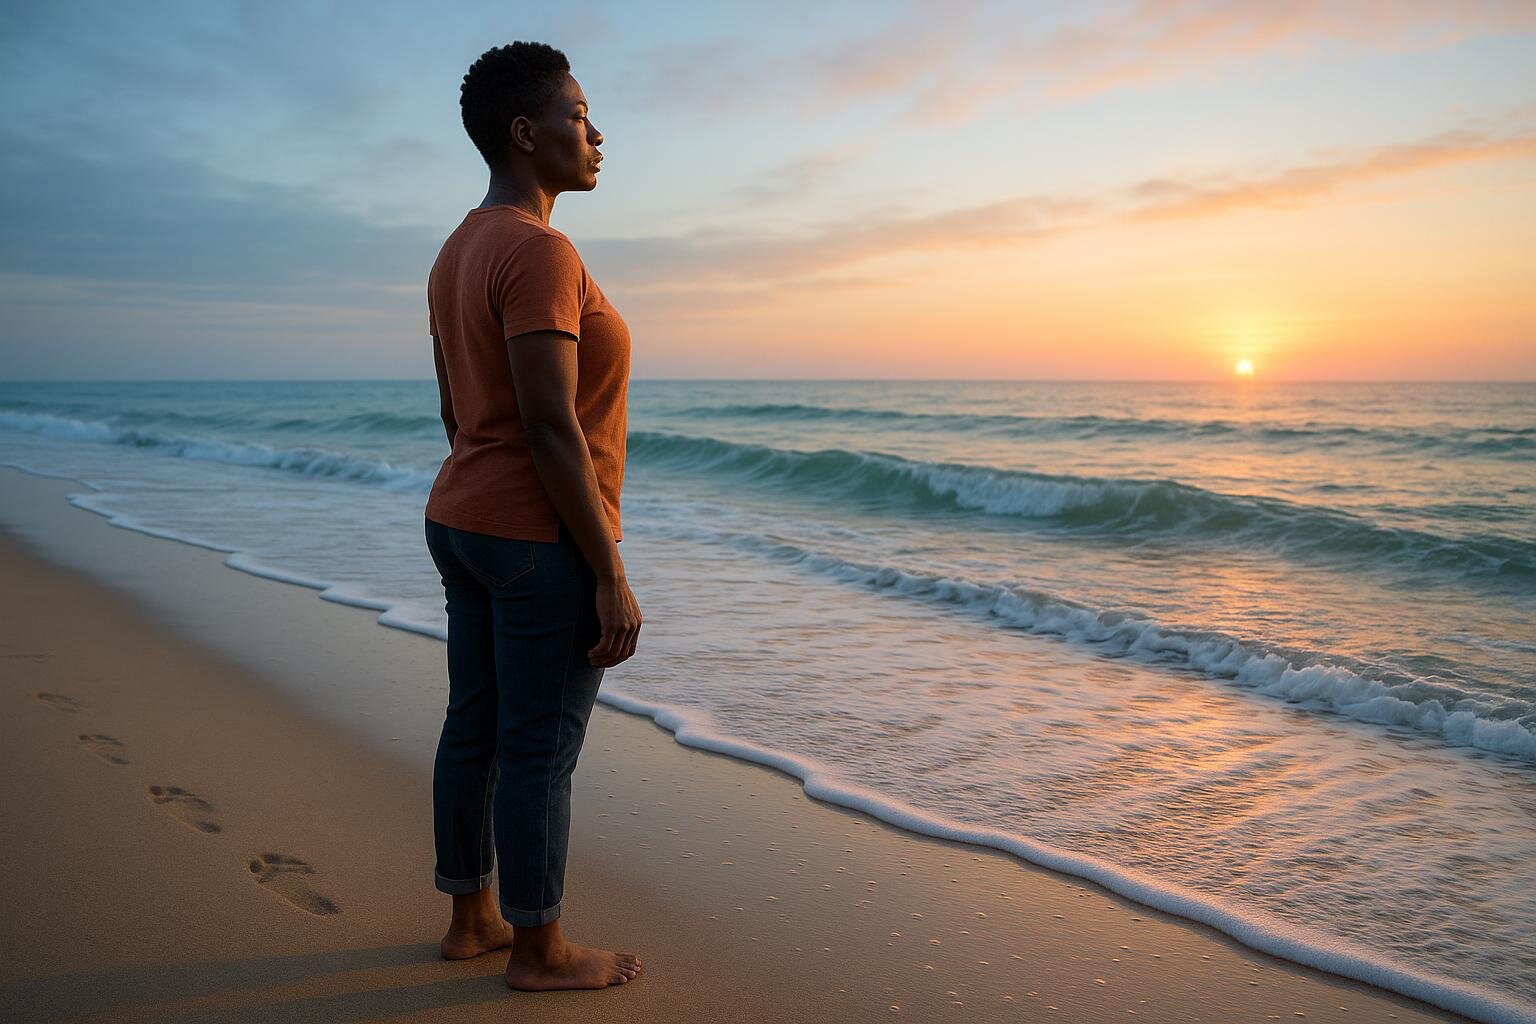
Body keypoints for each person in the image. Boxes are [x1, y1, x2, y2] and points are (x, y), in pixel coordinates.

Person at [422, 40, 643, 992]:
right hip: (531, 536)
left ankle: (470, 918)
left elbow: (455, 407)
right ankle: (540, 949)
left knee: (472, 725)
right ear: (526, 133)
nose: (595, 134)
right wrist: (608, 571)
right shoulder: (540, 250)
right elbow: (552, 426)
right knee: (539, 751)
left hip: (462, 518)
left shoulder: (458, 248)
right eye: (580, 115)